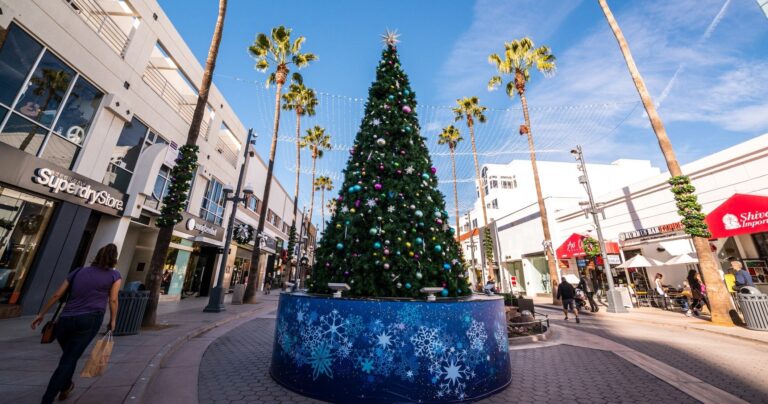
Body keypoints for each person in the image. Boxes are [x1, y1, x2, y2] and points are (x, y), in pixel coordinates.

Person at [31, 244, 122, 404]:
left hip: (65, 320)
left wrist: (42, 314)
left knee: (69, 356)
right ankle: (47, 398)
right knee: (69, 359)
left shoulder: (78, 271)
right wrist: (113, 320)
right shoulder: (114, 275)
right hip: (89, 320)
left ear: (97, 256)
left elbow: (57, 294)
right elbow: (113, 300)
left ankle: (66, 386)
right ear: (114, 259)